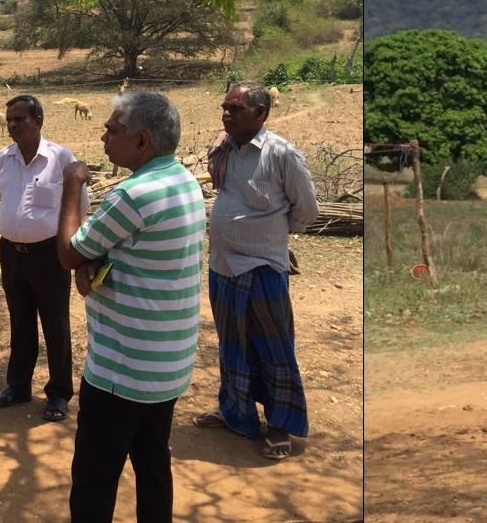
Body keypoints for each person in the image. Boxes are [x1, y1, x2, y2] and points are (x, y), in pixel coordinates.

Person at [57, 91, 205, 523]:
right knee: (153, 464)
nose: (103, 135)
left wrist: (72, 182)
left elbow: (69, 251)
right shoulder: (183, 181)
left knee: (93, 480)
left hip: (121, 372)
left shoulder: (133, 195)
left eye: (113, 129)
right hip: (165, 366)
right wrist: (97, 259)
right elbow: (138, 251)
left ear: (141, 141)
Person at [194, 81, 320, 460]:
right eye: (224, 107)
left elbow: (308, 211)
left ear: (261, 114)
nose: (226, 114)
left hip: (263, 266)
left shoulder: (282, 154)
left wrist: (275, 236)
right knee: (232, 344)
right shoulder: (224, 149)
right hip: (223, 266)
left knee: (273, 347)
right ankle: (236, 413)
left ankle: (280, 425)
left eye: (236, 109)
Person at [0, 94, 80, 422]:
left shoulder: (61, 159)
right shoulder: (3, 158)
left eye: (20, 120)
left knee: (55, 323)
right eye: (10, 119)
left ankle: (58, 393)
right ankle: (18, 385)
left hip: (48, 254)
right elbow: (6, 198)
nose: (12, 125)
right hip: (11, 253)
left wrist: (73, 251)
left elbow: (77, 208)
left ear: (39, 122)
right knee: (20, 319)